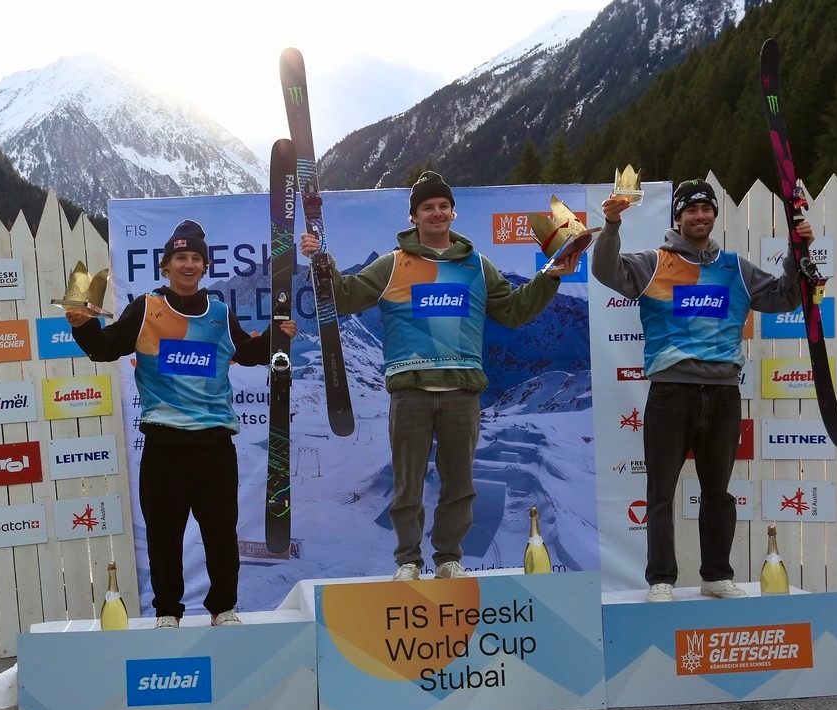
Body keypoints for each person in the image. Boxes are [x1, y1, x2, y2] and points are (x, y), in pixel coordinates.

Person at [299, 171, 579, 581]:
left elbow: (515, 311)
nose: (436, 212)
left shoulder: (478, 266)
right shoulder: (393, 264)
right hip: (410, 390)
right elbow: (345, 297)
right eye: (427, 207)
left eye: (442, 205)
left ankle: (449, 558)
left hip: (462, 391)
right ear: (414, 217)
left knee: (460, 485)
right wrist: (321, 261)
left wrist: (549, 276)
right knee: (408, 484)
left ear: (453, 212)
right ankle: (408, 562)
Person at [66, 219, 296, 627]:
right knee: (163, 537)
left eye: (195, 258)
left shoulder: (220, 311)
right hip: (164, 446)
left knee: (221, 536)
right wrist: (84, 327)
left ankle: (223, 608)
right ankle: (168, 612)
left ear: (205, 267)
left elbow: (249, 352)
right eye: (180, 258)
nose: (188, 264)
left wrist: (279, 338)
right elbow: (105, 349)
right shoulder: (146, 308)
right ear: (165, 266)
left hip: (213, 445)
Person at [592, 179, 811, 603]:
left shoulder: (736, 267)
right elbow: (605, 271)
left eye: (705, 209)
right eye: (690, 210)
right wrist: (612, 223)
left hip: (725, 393)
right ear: (677, 218)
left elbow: (785, 299)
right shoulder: (654, 262)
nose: (699, 216)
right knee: (660, 493)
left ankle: (716, 576)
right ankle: (660, 580)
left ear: (713, 216)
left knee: (718, 493)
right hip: (672, 393)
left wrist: (795, 253)